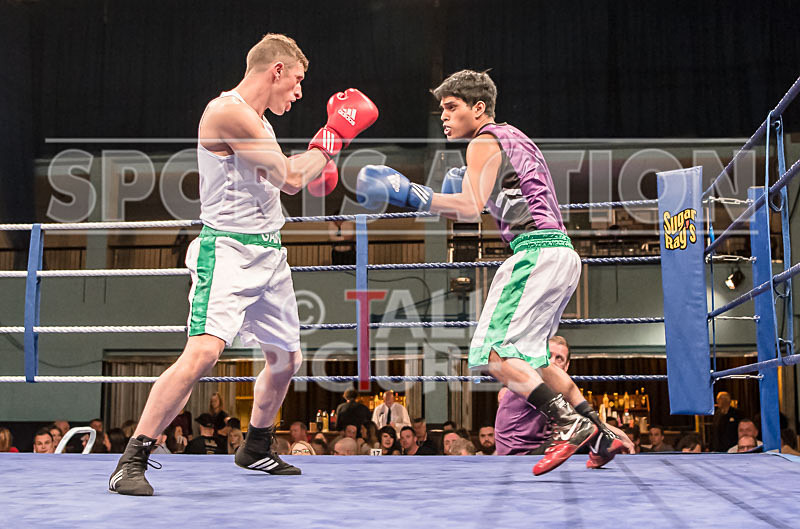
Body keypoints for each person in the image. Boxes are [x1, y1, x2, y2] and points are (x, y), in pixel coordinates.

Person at [108, 33, 378, 496]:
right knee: (204, 353)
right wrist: (331, 136)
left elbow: (285, 178)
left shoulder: (258, 122)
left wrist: (315, 159)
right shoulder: (227, 113)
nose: (298, 93)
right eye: (296, 81)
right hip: (228, 252)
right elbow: (292, 179)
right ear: (276, 70)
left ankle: (255, 445)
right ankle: (132, 458)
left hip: (269, 253)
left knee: (285, 359)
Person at [356, 69, 627, 475]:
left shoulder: (483, 141)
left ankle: (568, 424)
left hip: (534, 254)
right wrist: (464, 189)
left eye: (451, 107)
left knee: (493, 356)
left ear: (478, 108)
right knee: (533, 362)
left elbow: (468, 209)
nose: (444, 117)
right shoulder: (515, 137)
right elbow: (502, 196)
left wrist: (411, 194)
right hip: (560, 255)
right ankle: (600, 431)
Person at [494, 336, 633, 468]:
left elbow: (580, 418)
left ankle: (602, 448)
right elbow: (583, 423)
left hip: (540, 448)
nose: (552, 362)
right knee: (584, 435)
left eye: (559, 358)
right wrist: (616, 435)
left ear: (566, 366)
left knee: (584, 433)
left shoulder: (556, 391)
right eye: (548, 356)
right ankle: (602, 447)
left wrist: (615, 434)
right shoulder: (531, 382)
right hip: (519, 455)